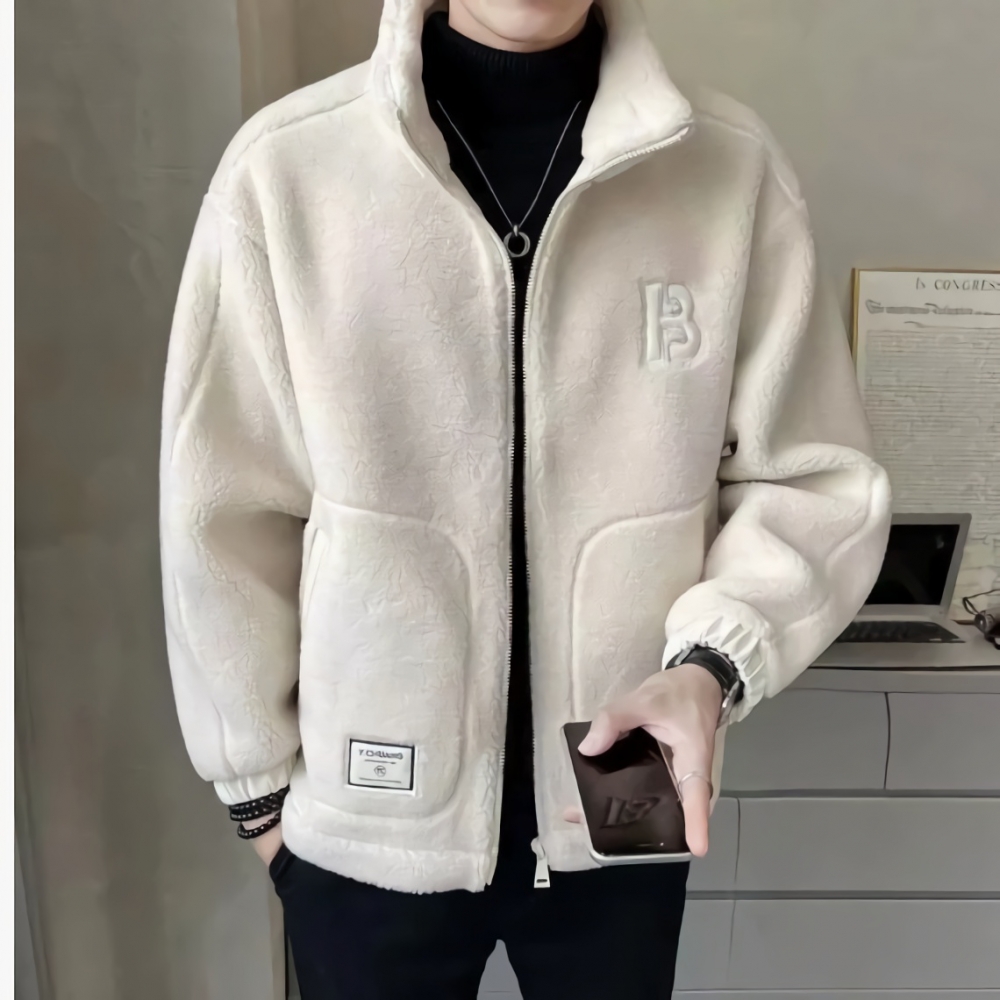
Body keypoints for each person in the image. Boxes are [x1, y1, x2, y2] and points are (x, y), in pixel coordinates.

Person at [158, 0, 891, 996]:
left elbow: (812, 480)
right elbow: (221, 508)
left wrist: (711, 666)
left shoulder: (728, 168)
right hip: (366, 824)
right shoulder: (289, 170)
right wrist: (257, 794)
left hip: (625, 796)